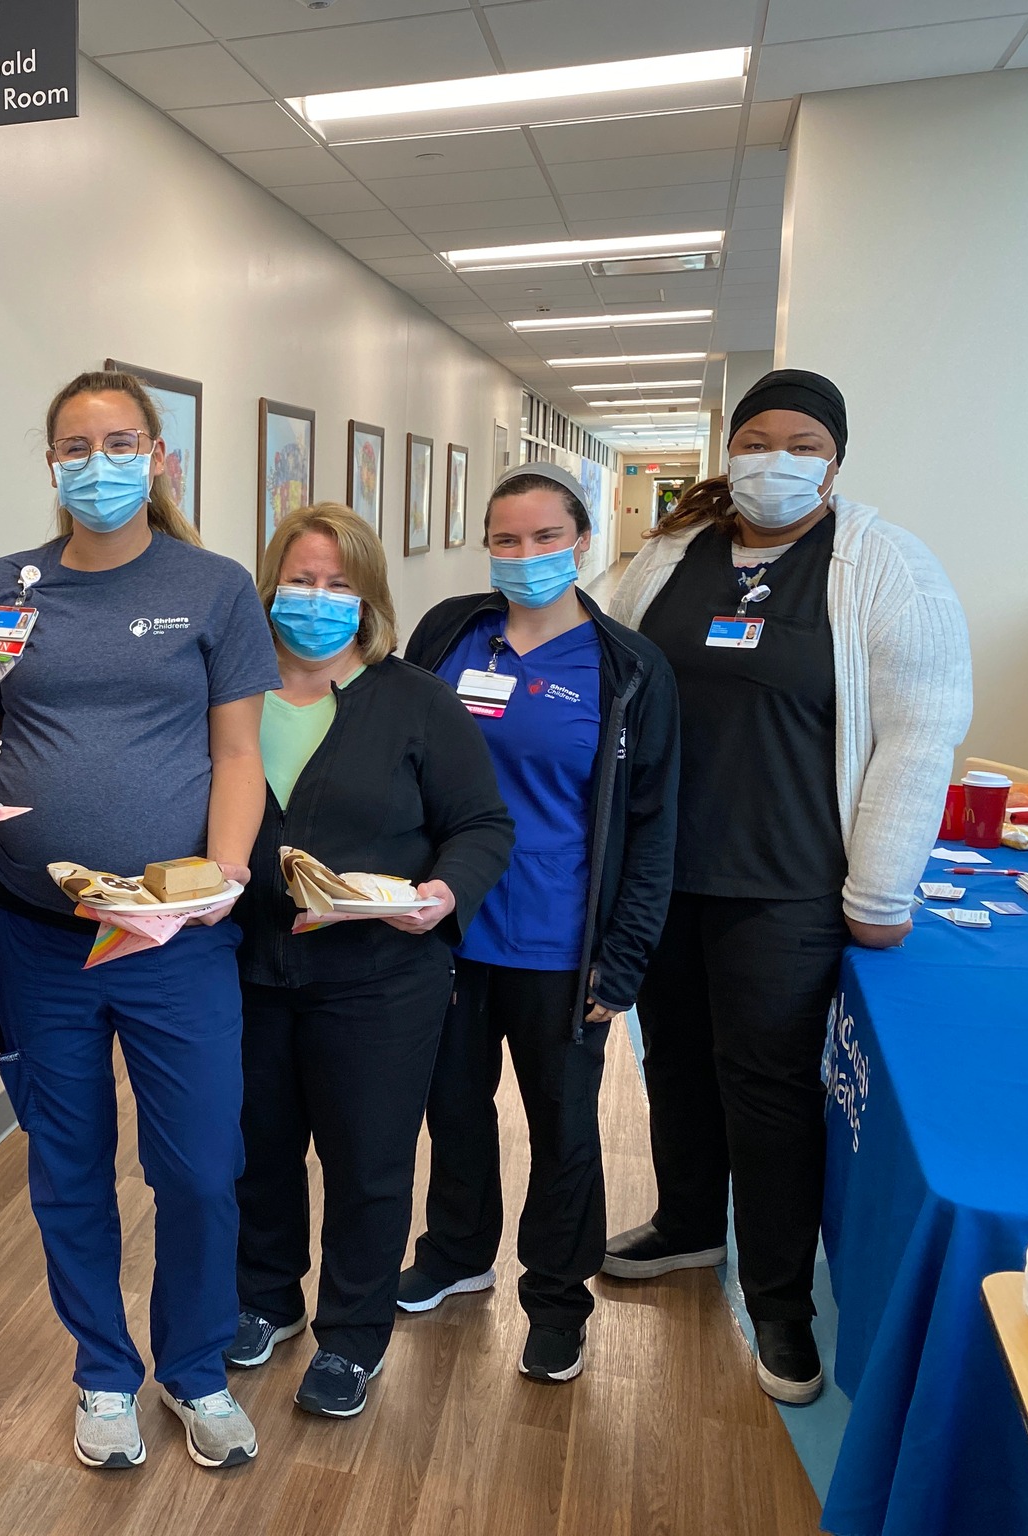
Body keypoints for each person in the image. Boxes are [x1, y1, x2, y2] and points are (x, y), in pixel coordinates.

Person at [602, 369, 971, 1404]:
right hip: (665, 871)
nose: (777, 460)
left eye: (802, 444)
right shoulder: (674, 553)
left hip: (787, 883)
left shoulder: (881, 565)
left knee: (766, 1089)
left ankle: (778, 1302)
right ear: (730, 450)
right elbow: (612, 680)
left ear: (835, 461)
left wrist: (881, 892)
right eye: (757, 440)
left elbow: (918, 733)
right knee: (674, 1061)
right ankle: (686, 1224)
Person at [0, 370, 279, 1471]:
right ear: (50, 463)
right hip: (34, 932)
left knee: (197, 1166)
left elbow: (237, 752)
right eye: (74, 446)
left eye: (118, 443)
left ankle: (195, 1367)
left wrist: (220, 876)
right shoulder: (3, 587)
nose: (95, 464)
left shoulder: (213, 587)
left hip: (174, 938)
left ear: (156, 455)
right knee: (68, 1164)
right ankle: (103, 1371)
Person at [224, 503, 514, 1418]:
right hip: (246, 971)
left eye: (338, 585)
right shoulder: (230, 694)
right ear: (269, 586)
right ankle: (266, 1299)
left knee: (368, 1162)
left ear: (368, 598)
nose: (316, 600)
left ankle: (352, 1337)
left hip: (380, 979)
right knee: (257, 1150)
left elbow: (482, 824)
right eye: (300, 581)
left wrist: (445, 894)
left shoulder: (415, 700)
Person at [397, 462, 680, 1385]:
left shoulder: (628, 669)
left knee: (563, 1129)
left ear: (582, 542)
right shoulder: (451, 633)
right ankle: (456, 1252)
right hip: (447, 928)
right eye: (506, 540)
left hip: (560, 943)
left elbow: (652, 828)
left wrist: (623, 960)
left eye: (546, 537)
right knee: (452, 1105)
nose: (525, 555)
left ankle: (557, 1301)